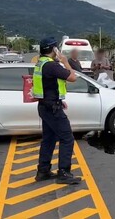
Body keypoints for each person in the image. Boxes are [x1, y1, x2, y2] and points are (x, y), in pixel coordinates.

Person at [33, 37, 81, 185]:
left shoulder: (41, 63)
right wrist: (65, 61)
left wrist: (58, 99)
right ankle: (64, 173)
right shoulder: (52, 66)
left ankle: (43, 171)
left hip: (45, 105)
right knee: (67, 138)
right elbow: (73, 77)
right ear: (54, 50)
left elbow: (48, 85)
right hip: (52, 109)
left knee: (48, 139)